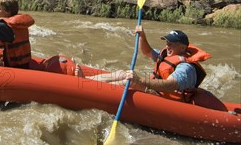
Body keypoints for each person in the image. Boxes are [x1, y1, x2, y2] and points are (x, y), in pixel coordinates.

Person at [75, 26, 211, 102]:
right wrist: (142, 36)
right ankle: (86, 81)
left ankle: (88, 90)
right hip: (158, 92)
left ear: (182, 48)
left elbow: (170, 86)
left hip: (168, 99)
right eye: (167, 42)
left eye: (172, 44)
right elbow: (147, 52)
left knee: (131, 82)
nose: (167, 46)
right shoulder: (167, 54)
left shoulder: (185, 67)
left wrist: (140, 80)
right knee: (123, 73)